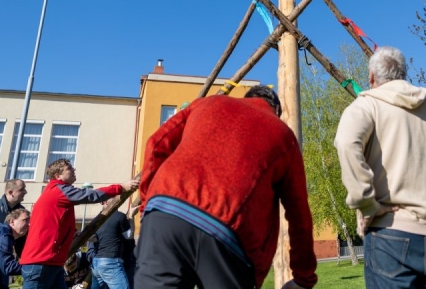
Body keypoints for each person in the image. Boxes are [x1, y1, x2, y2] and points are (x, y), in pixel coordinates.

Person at [136, 86, 317, 289]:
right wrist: (304, 277)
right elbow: (298, 212)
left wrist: (147, 208)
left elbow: (156, 144)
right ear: (275, 110)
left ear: (246, 98)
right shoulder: (284, 136)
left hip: (166, 211)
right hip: (227, 232)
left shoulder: (207, 103)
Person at [334, 46, 426, 289]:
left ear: (371, 77)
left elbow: (347, 143)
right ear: (403, 73)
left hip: (390, 233)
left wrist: (367, 204)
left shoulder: (366, 107)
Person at [20, 160, 138, 289]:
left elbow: (54, 224)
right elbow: (89, 195)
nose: (74, 169)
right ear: (58, 175)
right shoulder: (58, 190)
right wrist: (120, 188)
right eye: (69, 168)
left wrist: (71, 233)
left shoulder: (55, 192)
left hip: (50, 262)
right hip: (41, 262)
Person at [90, 205, 133, 289]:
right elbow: (129, 235)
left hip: (96, 263)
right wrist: (131, 216)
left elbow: (94, 238)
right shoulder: (119, 216)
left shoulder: (98, 219)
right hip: (111, 262)